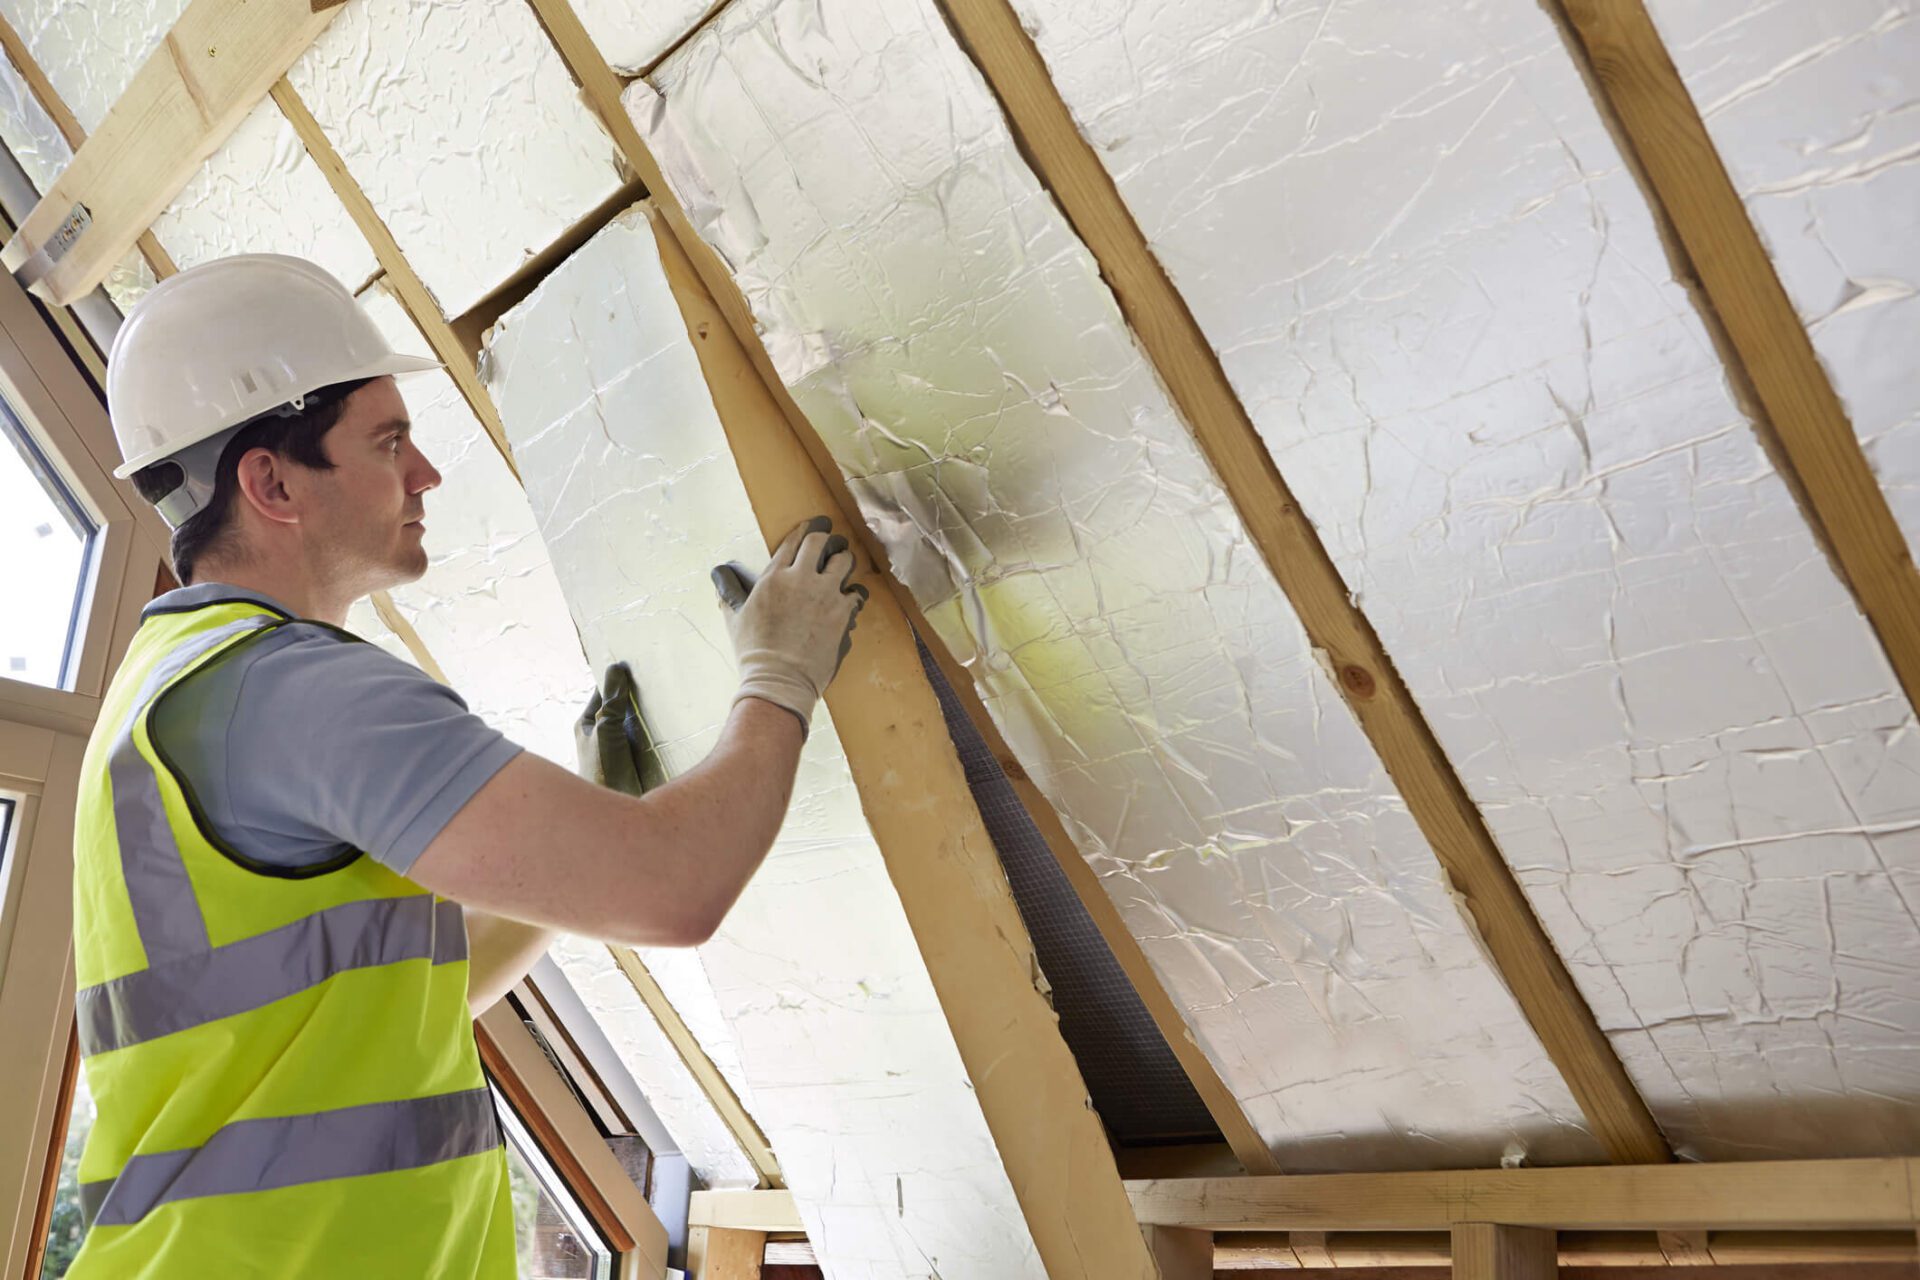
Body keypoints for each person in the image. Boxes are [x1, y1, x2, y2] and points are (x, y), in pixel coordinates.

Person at [65, 254, 865, 1277]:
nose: (426, 472)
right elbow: (676, 888)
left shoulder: (162, 693)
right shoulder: (297, 694)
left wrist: (572, 854)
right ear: (269, 482)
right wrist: (780, 673)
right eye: (387, 439)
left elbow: (392, 1008)